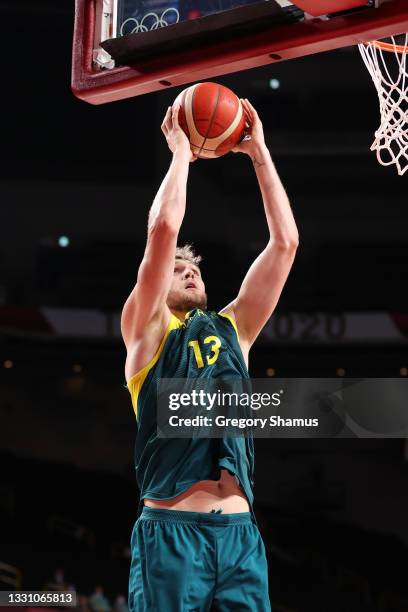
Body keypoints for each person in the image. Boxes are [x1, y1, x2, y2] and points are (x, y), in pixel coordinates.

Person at [121, 98, 299, 611]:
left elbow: (285, 243)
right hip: (173, 534)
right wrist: (181, 152)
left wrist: (259, 153)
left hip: (241, 538)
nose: (189, 271)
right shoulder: (147, 333)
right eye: (178, 270)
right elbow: (163, 232)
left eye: (193, 268)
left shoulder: (234, 331)